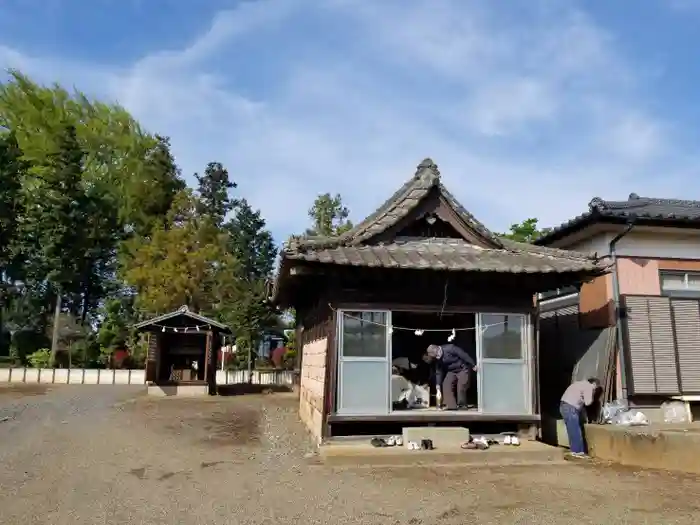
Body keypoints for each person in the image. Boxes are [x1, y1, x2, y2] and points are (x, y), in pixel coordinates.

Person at [423, 343, 478, 410]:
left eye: (437, 355)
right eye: (435, 357)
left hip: (462, 368)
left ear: (437, 349)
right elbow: (439, 372)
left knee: (461, 386)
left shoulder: (450, 348)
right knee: (446, 385)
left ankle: (462, 405)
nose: (437, 357)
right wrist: (438, 385)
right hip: (451, 371)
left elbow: (463, 355)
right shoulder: (436, 358)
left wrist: (473, 364)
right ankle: (451, 406)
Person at [560, 377, 601, 458]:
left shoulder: (578, 383)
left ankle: (574, 451)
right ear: (594, 384)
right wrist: (593, 394)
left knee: (572, 430)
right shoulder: (589, 386)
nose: (595, 389)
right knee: (576, 430)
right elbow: (588, 402)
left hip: (563, 406)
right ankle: (578, 452)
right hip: (571, 407)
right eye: (596, 387)